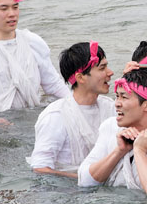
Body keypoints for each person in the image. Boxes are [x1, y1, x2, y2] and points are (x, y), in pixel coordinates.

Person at [77, 69, 147, 201]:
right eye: (117, 96)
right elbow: (84, 182)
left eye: (124, 97)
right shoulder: (110, 127)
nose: (116, 103)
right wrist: (119, 151)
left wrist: (139, 150)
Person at [28, 41, 115, 178]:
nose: (110, 73)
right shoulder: (56, 116)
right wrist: (86, 179)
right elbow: (40, 169)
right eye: (102, 68)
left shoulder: (111, 107)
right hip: (69, 190)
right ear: (80, 77)